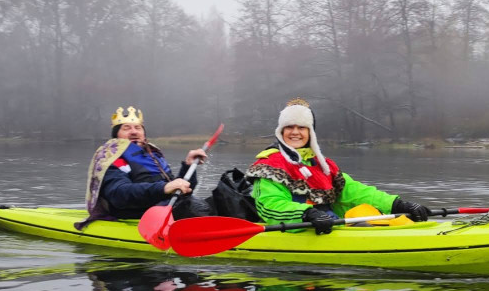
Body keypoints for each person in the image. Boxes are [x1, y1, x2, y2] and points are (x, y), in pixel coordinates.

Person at [244, 98, 429, 234]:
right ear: (281, 131)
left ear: (310, 132)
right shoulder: (269, 165)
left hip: (330, 227)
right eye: (289, 127)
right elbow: (269, 206)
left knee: (366, 211)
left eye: (301, 128)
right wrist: (308, 214)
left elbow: (355, 192)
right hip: (298, 229)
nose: (295, 132)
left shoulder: (323, 165)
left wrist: (397, 204)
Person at [76, 106, 211, 230]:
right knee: (194, 209)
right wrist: (163, 188)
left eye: (138, 128)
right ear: (117, 135)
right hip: (134, 214)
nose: (134, 132)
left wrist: (188, 165)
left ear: (143, 133)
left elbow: (182, 190)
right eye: (126, 128)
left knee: (220, 198)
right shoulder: (112, 157)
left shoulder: (152, 155)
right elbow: (119, 195)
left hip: (165, 209)